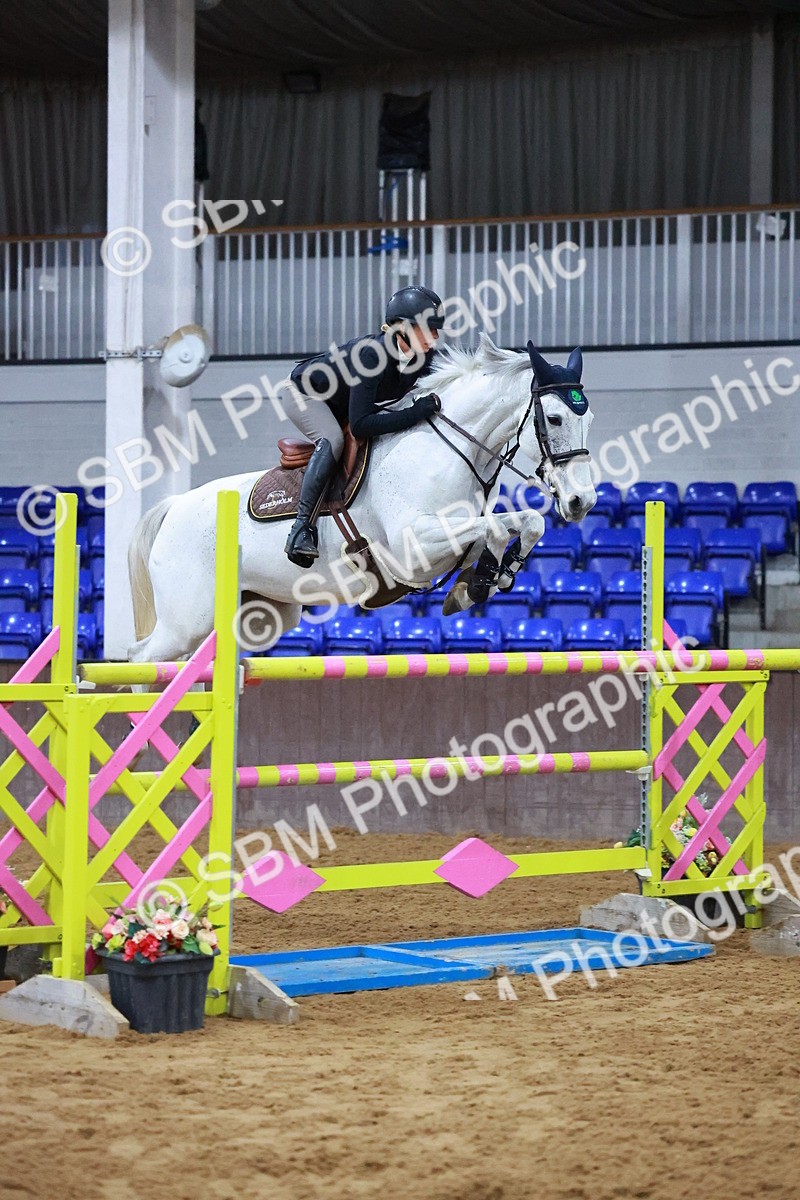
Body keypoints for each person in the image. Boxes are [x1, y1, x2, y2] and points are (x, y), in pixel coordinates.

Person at [282, 285, 444, 567]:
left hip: (343, 399)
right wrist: (416, 413)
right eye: (429, 329)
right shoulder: (371, 355)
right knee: (334, 439)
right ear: (403, 328)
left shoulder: (425, 358)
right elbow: (360, 425)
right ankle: (300, 529)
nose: (435, 337)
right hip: (305, 393)